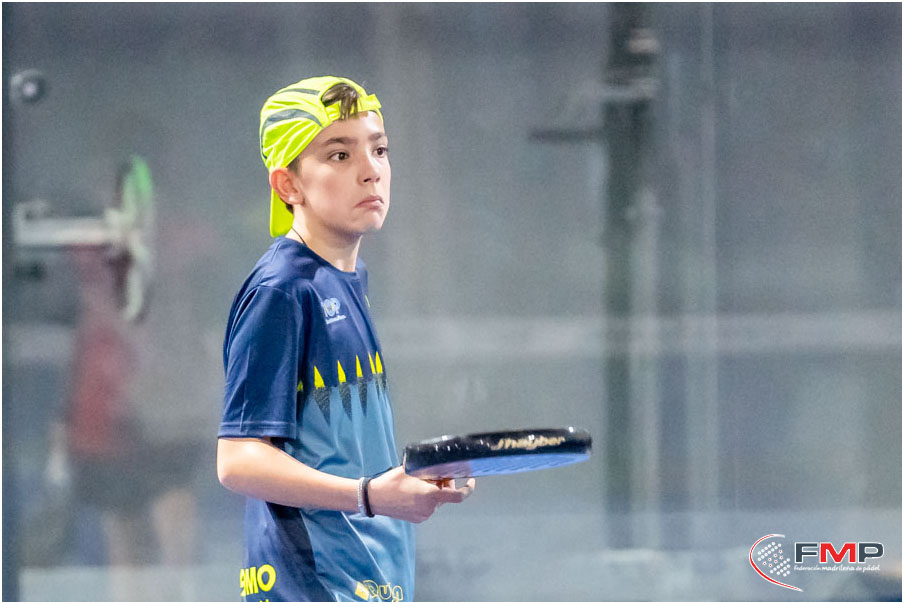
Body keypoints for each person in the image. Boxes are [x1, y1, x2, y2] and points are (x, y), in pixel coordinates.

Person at [217, 75, 476, 602]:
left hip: (368, 582)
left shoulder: (345, 279)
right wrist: (370, 496)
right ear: (288, 186)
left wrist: (412, 482)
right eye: (339, 155)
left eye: (379, 150)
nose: (370, 170)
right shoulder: (281, 290)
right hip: (311, 589)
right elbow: (238, 460)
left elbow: (337, 449)